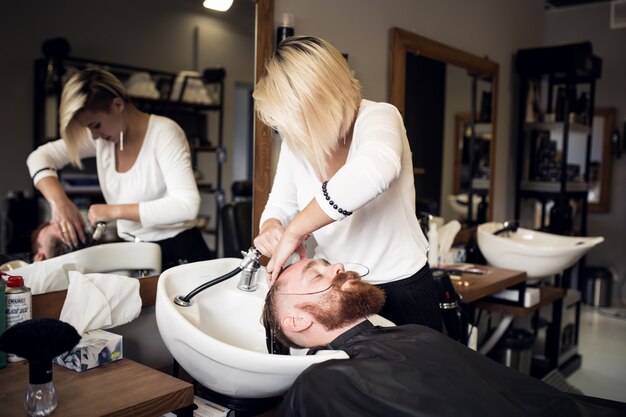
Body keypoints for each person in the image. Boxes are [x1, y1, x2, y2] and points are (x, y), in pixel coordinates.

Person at [262, 258, 626, 417]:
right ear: (295, 322)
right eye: (317, 275)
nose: (337, 266)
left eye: (327, 262)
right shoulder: (322, 384)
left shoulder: (413, 334)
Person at [252, 36, 441, 330]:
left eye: (297, 120)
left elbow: (375, 171)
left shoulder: (379, 117)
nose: (291, 133)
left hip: (401, 288)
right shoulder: (297, 139)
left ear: (321, 100)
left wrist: (296, 230)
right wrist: (272, 227)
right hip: (333, 291)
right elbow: (281, 204)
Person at [27, 68, 211, 270]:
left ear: (117, 105)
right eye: (88, 129)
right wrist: (60, 203)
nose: (94, 136)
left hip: (180, 253)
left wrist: (113, 211)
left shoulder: (164, 133)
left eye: (96, 125)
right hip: (135, 253)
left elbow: (187, 206)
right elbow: (39, 157)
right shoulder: (105, 139)